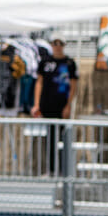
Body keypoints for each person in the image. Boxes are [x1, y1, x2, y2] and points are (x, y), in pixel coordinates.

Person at [31, 33, 78, 175]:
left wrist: (68, 105)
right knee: (50, 139)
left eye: (60, 44)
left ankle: (63, 169)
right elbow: (39, 82)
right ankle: (52, 169)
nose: (57, 47)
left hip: (62, 106)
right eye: (55, 43)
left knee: (63, 139)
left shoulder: (69, 63)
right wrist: (36, 104)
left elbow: (73, 85)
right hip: (47, 105)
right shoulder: (45, 62)